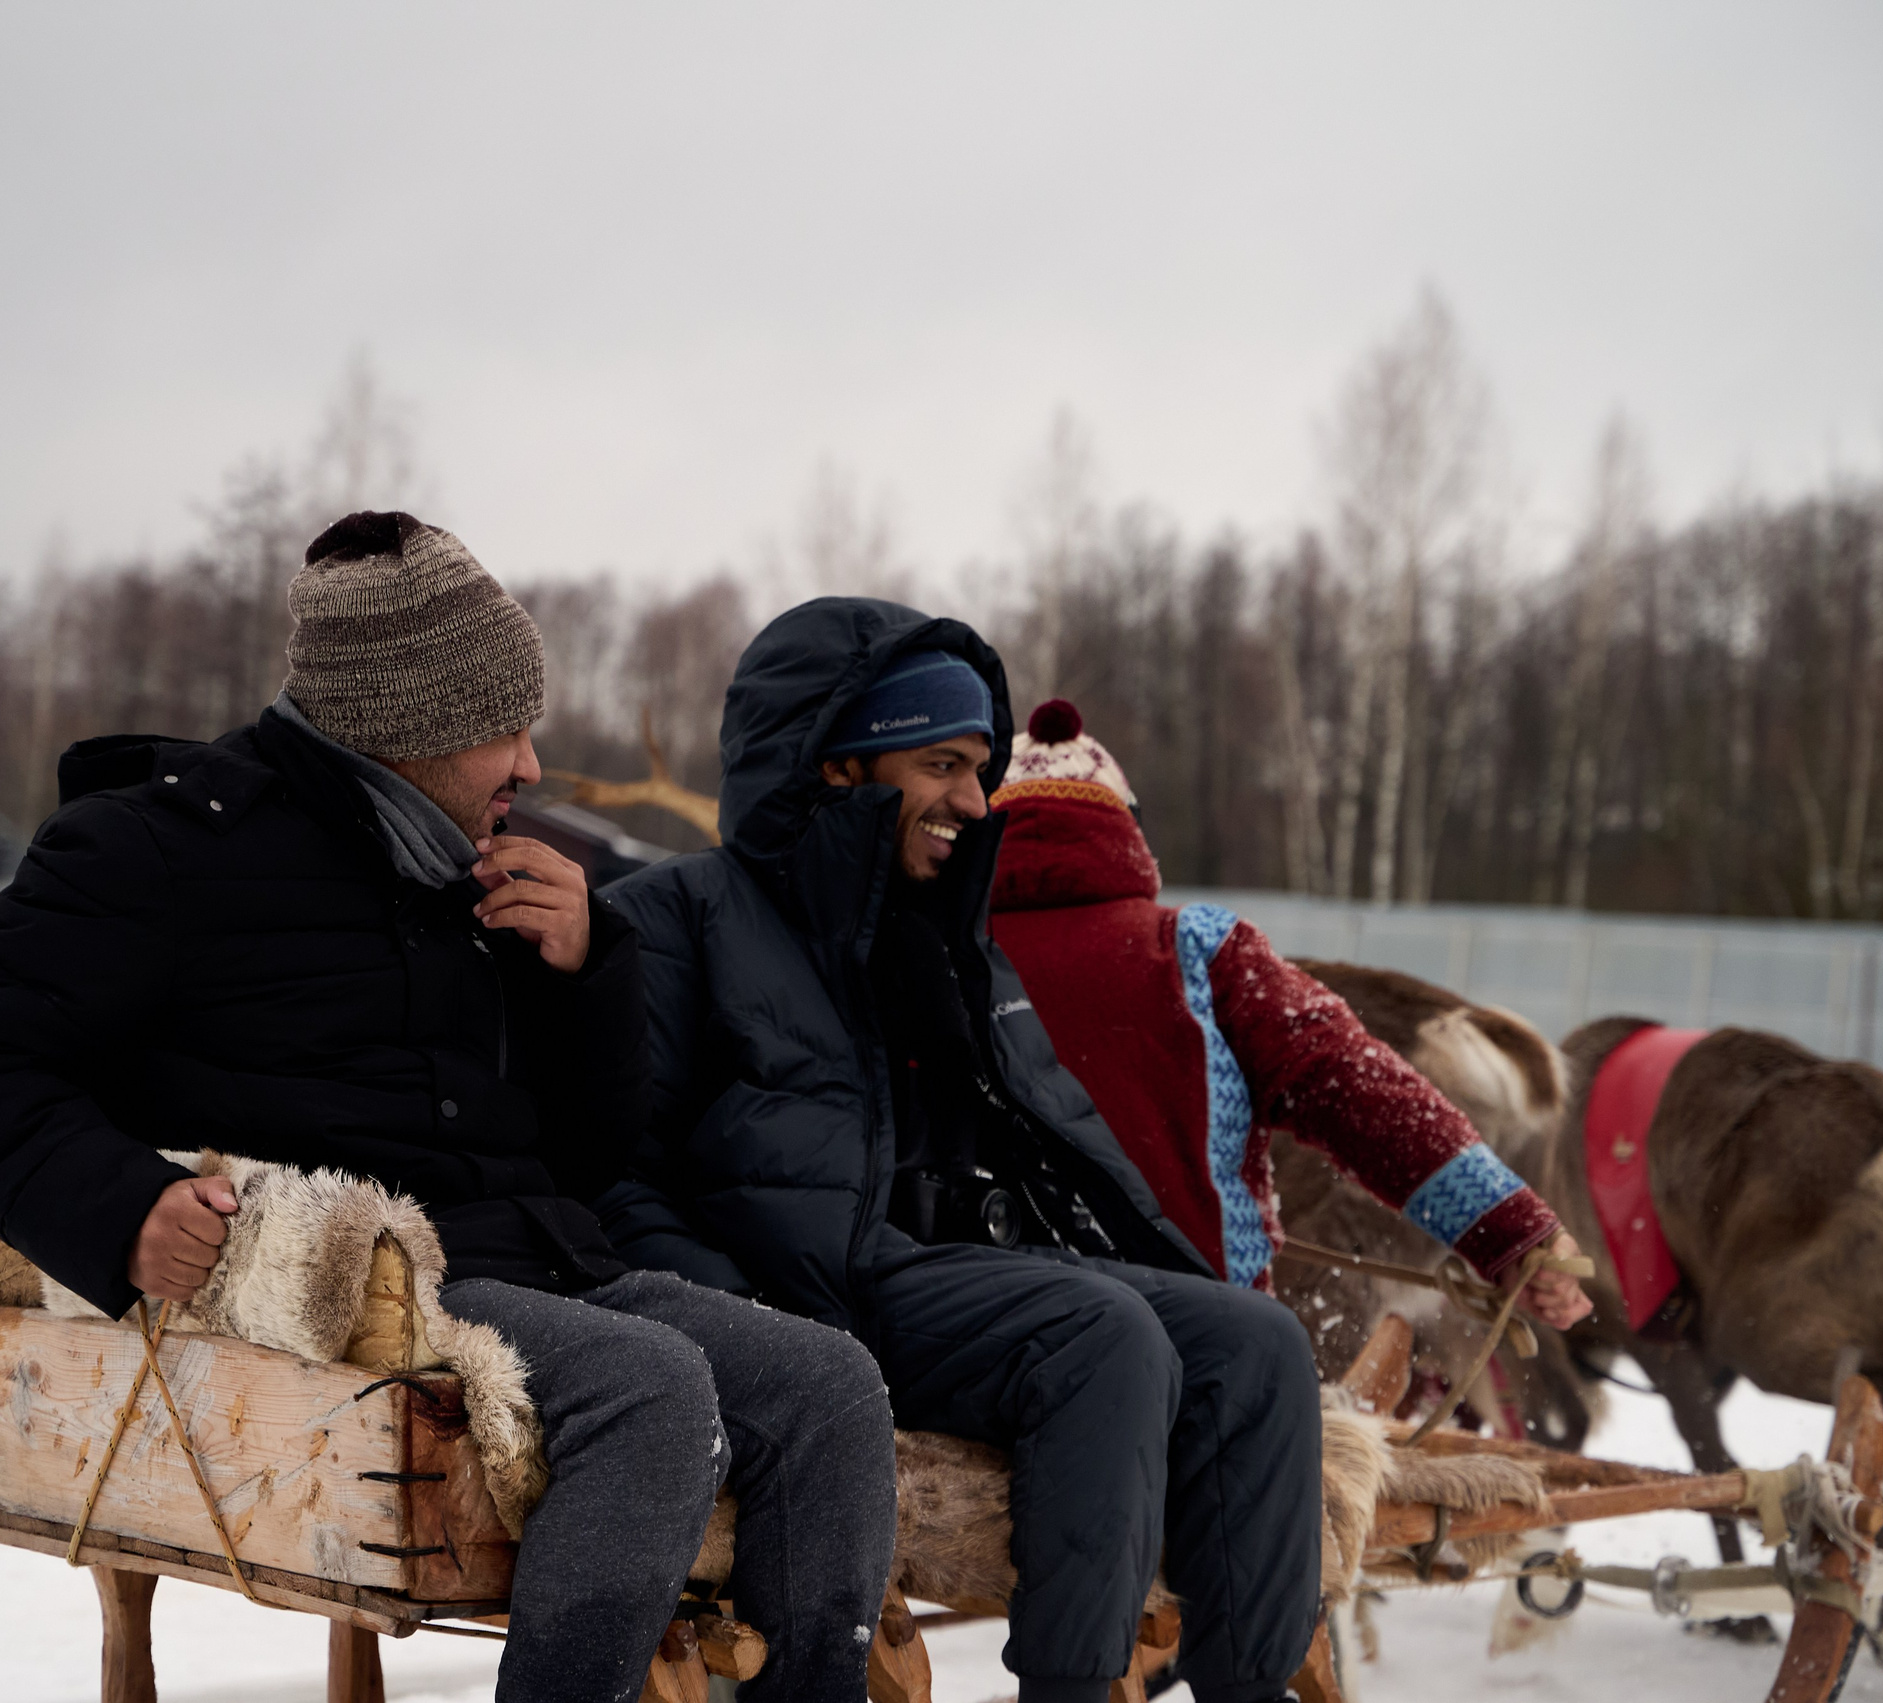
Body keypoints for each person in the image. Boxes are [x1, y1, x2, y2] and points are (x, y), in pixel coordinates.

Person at [0, 513, 895, 1703]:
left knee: (829, 1384)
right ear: (405, 724)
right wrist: (122, 1207)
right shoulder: (161, 846)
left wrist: (582, 973)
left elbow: (586, 1154)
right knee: (647, 1387)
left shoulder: (475, 864)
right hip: (349, 1292)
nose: (530, 764)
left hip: (534, 1264)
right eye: (502, 729)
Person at [599, 599, 1585, 1703]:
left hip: (940, 1272)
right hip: (807, 1293)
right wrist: (747, 1322)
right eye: (942, 765)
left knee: (1255, 1340)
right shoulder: (675, 919)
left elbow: (1053, 1134)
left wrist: (1160, 1267)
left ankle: (1248, 1687)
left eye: (982, 770)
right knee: (1100, 1335)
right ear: (837, 764)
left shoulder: (941, 932)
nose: (976, 802)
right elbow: (611, 1170)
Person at [988, 697, 1595, 1321]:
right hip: (1203, 1335)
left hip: (992, 1328)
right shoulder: (1202, 953)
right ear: (1126, 833)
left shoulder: (945, 958)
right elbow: (1360, 1090)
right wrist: (1510, 1229)